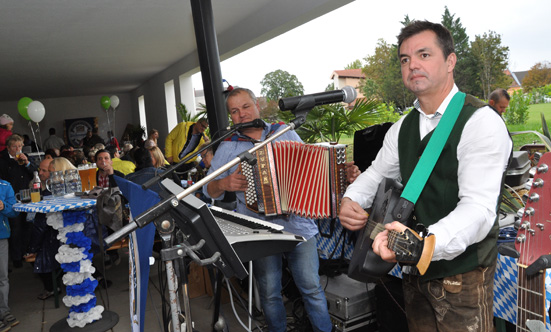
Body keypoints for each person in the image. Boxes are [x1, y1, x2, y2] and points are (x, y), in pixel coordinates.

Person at [338, 21, 511, 332]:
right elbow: (378, 172)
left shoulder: (480, 122)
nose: (412, 65)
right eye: (405, 59)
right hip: (413, 270)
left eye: (424, 54)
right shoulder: (403, 126)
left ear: (450, 61)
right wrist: (352, 197)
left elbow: (479, 208)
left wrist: (422, 245)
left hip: (462, 276)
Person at [203, 88, 332, 332]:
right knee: (270, 292)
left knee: (311, 288)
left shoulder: (285, 133)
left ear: (257, 106)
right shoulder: (229, 146)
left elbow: (311, 169)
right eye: (234, 111)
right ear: (231, 117)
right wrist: (224, 184)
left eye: (246, 107)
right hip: (259, 230)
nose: (241, 115)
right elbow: (207, 190)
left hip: (298, 225)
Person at [25, 158, 62, 300]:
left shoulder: (48, 194)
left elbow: (40, 225)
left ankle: (51, 287)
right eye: (39, 169)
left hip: (55, 239)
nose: (39, 173)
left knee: (35, 251)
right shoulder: (42, 186)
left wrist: (31, 248)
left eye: (44, 170)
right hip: (61, 235)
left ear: (54, 172)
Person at [0, 134, 36, 268]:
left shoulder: (25, 158)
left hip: (26, 196)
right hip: (11, 198)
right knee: (15, 228)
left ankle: (27, 252)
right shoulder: (3, 161)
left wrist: (27, 163)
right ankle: (16, 257)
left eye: (20, 146)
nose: (17, 149)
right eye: (14, 146)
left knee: (28, 226)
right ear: (8, 148)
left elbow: (35, 172)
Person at [0, 179, 20, 330]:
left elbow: (14, 211)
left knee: (2, 277)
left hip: (1, 237)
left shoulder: (5, 185)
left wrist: (3, 206)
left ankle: (4, 311)